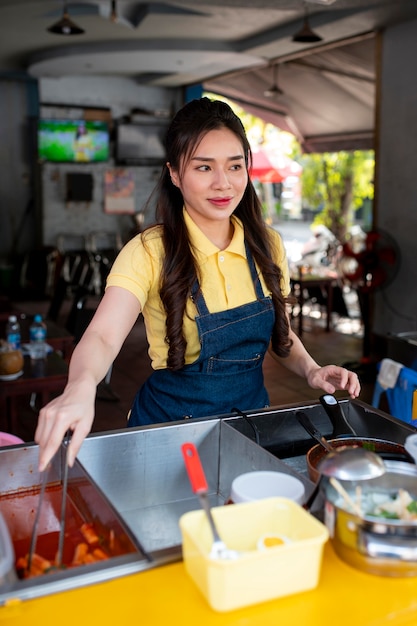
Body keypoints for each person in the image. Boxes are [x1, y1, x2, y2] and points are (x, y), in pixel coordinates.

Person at [35, 97, 360, 471]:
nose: (223, 183)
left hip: (250, 424)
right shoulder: (149, 251)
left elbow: (280, 337)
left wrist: (311, 369)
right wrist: (80, 388)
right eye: (204, 167)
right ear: (174, 173)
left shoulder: (267, 246)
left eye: (235, 166)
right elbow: (103, 337)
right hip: (169, 431)